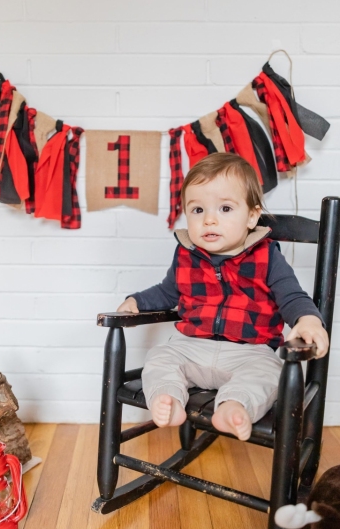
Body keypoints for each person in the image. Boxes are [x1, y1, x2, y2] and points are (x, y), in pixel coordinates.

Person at [117, 153, 329, 441]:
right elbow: (168, 291)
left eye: (225, 208)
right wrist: (137, 302)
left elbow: (291, 296)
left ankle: (233, 407)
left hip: (250, 353)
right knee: (160, 358)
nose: (210, 220)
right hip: (191, 347)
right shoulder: (187, 254)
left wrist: (307, 320)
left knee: (268, 374)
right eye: (198, 210)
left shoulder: (267, 256)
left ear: (252, 216)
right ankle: (167, 398)